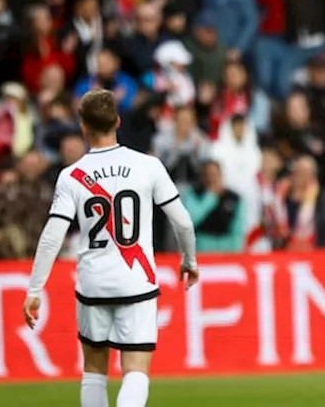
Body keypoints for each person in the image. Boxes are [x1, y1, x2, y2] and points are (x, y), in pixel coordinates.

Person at [22, 89, 199, 407]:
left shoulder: (70, 176)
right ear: (117, 121)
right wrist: (189, 260)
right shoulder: (148, 165)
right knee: (136, 371)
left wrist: (35, 288)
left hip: (93, 284)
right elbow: (183, 222)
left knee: (93, 370)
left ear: (82, 127)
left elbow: (52, 236)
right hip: (137, 282)